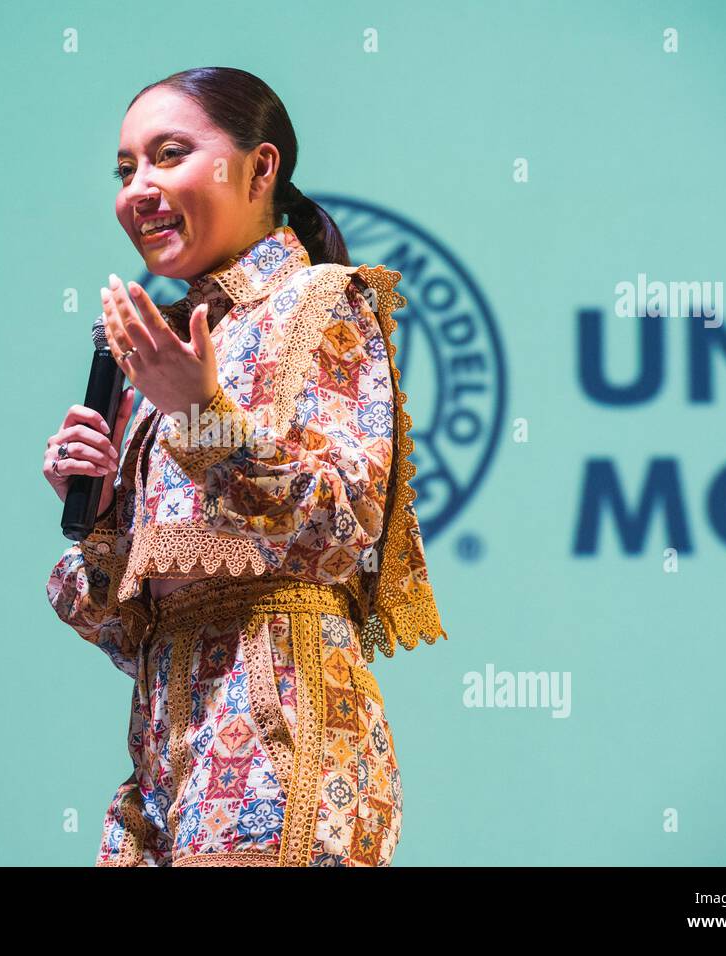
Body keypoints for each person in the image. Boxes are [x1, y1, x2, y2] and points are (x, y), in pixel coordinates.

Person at [43, 67, 447, 867]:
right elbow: (133, 630)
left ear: (260, 169)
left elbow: (343, 529)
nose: (140, 190)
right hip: (161, 771)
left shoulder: (321, 302)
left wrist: (200, 418)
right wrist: (93, 519)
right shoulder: (175, 356)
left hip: (283, 754)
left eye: (168, 156)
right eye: (127, 171)